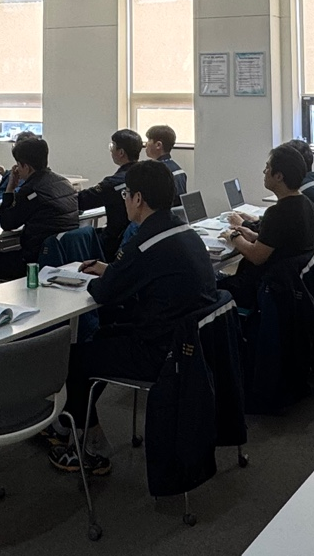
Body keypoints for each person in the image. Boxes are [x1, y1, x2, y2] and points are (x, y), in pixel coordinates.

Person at [48, 159, 216, 475]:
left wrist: (103, 276)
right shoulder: (182, 230)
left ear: (138, 198)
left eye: (126, 194)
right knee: (102, 336)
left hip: (160, 353)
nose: (124, 200)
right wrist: (114, 270)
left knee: (75, 360)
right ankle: (76, 421)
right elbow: (146, 273)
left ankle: (88, 446)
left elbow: (103, 293)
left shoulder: (144, 241)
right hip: (189, 346)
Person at [222, 144, 314, 309]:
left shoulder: (278, 212)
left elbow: (256, 256)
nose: (264, 172)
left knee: (210, 288)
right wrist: (254, 236)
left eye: (268, 168)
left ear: (279, 176)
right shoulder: (307, 204)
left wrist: (233, 236)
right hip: (291, 284)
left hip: (268, 287)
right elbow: (284, 243)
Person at [0, 136, 78, 277]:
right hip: (66, 257)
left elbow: (7, 223)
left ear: (26, 167)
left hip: (36, 261)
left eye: (18, 165)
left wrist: (10, 188)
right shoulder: (64, 183)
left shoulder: (31, 190)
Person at [76, 129, 142, 260]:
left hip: (114, 242)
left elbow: (82, 201)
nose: (111, 151)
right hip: (136, 237)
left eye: (112, 146)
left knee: (76, 238)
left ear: (121, 152)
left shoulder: (113, 183)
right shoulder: (146, 174)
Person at [143, 125, 188, 196]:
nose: (146, 144)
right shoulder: (179, 170)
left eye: (149, 140)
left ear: (158, 145)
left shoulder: (157, 172)